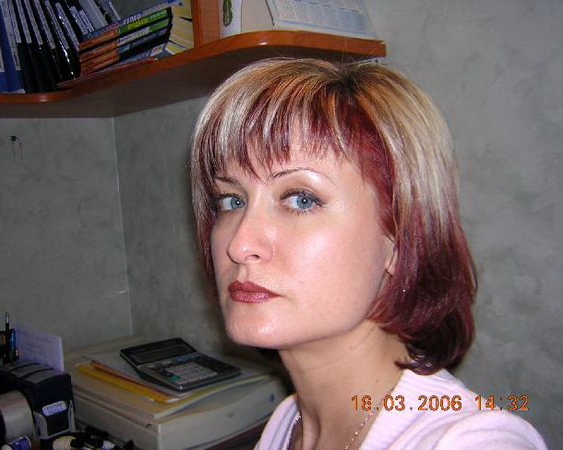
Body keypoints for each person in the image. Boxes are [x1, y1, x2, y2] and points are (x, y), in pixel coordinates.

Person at [190, 58, 546, 449]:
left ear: (400, 237)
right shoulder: (288, 422)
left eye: (301, 199)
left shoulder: (469, 442)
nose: (239, 245)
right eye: (231, 200)